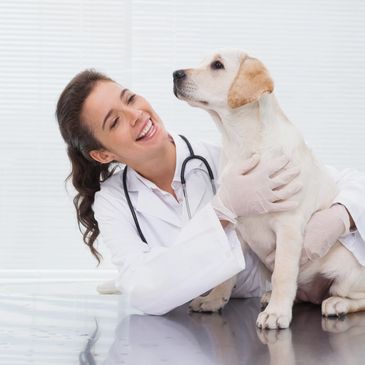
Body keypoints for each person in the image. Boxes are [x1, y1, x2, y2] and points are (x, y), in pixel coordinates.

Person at [56, 69, 365, 315]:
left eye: (130, 98)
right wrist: (222, 211)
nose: (135, 114)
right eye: (115, 121)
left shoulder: (230, 157)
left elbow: (345, 181)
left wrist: (341, 216)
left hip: (274, 309)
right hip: (204, 328)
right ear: (103, 155)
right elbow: (143, 291)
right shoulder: (113, 201)